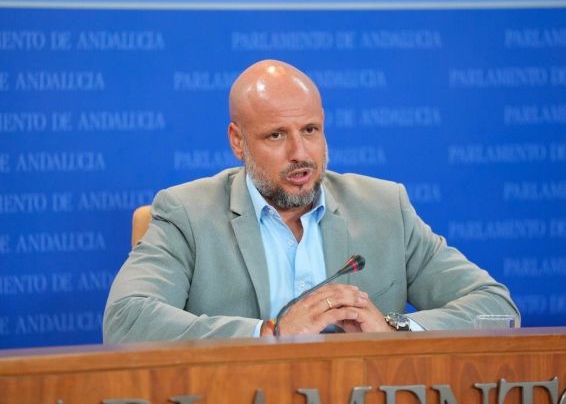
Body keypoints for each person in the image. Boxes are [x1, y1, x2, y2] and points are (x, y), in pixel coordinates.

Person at [103, 59, 519, 342]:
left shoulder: (384, 208)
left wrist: (394, 328)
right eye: (276, 135)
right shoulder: (188, 214)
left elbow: (497, 309)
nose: (300, 153)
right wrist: (270, 334)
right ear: (237, 141)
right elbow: (126, 319)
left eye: (310, 130)